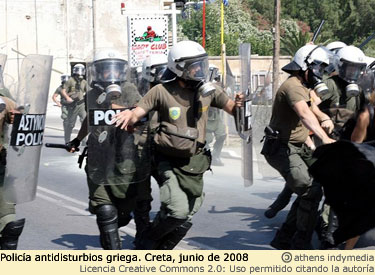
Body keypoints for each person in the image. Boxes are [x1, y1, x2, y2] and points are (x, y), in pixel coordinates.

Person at [112, 40, 243, 250]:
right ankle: (147, 242)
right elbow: (139, 111)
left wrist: (239, 106)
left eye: (202, 63)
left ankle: (159, 249)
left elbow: (233, 110)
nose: (201, 69)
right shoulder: (161, 91)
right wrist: (130, 114)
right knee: (178, 211)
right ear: (179, 68)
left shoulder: (209, 91)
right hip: (168, 160)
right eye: (195, 65)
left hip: (195, 161)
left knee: (186, 217)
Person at [67, 48, 151, 250]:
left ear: (122, 71)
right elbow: (90, 118)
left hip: (126, 157)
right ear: (97, 71)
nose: (110, 74)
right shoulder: (92, 93)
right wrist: (77, 139)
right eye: (105, 70)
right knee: (104, 210)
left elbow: (142, 115)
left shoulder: (130, 89)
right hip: (98, 158)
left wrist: (116, 108)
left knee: (123, 212)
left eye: (114, 70)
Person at [261, 44, 336, 249]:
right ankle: (300, 242)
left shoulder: (303, 87)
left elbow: (313, 109)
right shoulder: (293, 86)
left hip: (299, 146)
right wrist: (324, 138)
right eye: (317, 68)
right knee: (310, 190)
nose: (319, 73)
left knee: (318, 183)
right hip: (282, 148)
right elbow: (304, 114)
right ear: (305, 67)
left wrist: (324, 118)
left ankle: (285, 237)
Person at [316, 45, 367, 249]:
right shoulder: (328, 85)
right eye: (349, 68)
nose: (353, 73)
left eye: (357, 69)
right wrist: (323, 118)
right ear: (340, 65)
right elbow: (309, 105)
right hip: (326, 144)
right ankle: (326, 231)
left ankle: (333, 231)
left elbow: (363, 117)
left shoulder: (358, 92)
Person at [0, 96, 25, 249]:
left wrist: (20, 117)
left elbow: (20, 118)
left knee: (9, 225)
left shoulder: (4, 100)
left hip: (0, 168)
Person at [205, 66, 227, 166]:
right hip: (205, 115)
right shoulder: (203, 84)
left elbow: (225, 98)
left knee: (222, 135)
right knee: (206, 139)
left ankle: (216, 156)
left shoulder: (217, 85)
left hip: (216, 115)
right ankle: (207, 156)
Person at [60, 64, 87, 143]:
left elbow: (88, 90)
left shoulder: (84, 82)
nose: (80, 72)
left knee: (84, 121)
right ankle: (67, 140)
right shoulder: (70, 81)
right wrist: (68, 97)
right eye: (78, 70)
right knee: (70, 124)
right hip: (73, 105)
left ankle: (83, 140)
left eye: (81, 70)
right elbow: (63, 91)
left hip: (81, 105)